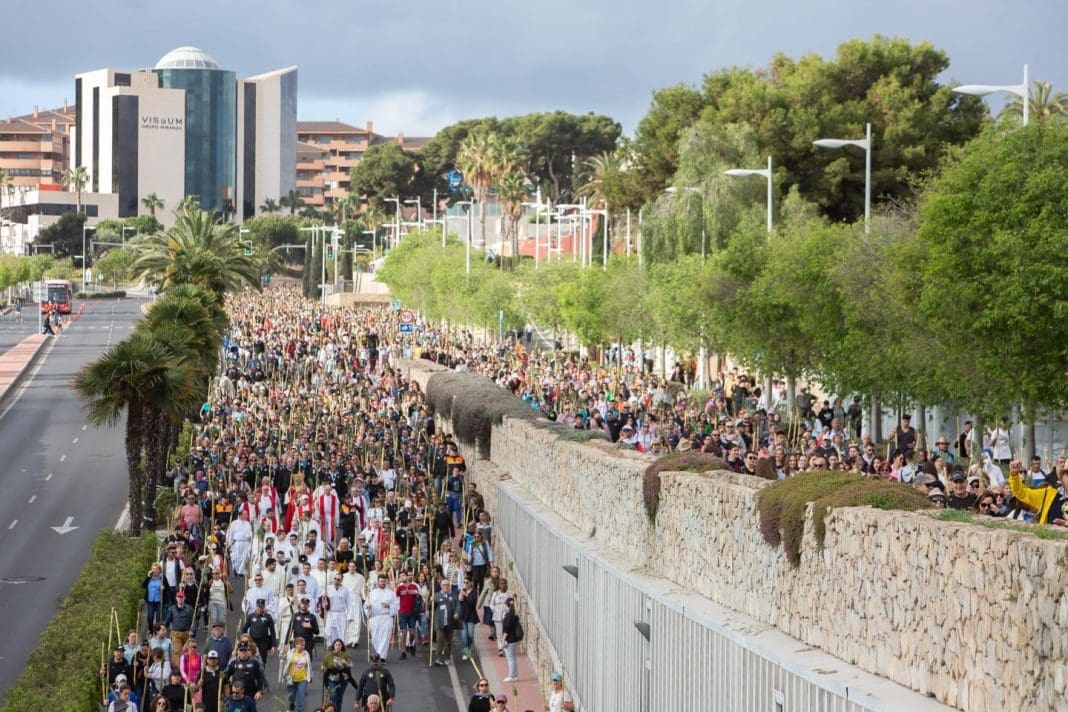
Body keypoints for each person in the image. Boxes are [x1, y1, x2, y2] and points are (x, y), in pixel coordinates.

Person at [364, 574, 398, 661]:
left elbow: (396, 605)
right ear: (377, 582)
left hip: (386, 617)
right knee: (375, 638)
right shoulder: (372, 593)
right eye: (381, 581)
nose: (382, 583)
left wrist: (389, 606)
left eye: (384, 581)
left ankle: (382, 657)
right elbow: (366, 605)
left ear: (386, 582)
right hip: (374, 618)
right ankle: (377, 654)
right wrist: (368, 607)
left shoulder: (391, 593)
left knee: (385, 638)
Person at [322, 638, 356, 710]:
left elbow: (351, 665)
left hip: (343, 678)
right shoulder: (328, 655)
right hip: (332, 678)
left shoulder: (345, 655)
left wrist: (345, 663)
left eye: (339, 645)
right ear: (334, 646)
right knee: (333, 696)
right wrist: (323, 668)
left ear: (342, 646)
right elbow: (324, 665)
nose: (338, 646)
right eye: (336, 645)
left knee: (339, 698)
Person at [280, 635, 312, 712]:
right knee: (291, 698)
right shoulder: (290, 653)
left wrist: (310, 677)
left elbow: (309, 666)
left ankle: (300, 710)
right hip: (291, 679)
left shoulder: (306, 654)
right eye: (302, 645)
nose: (303, 646)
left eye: (304, 645)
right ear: (296, 645)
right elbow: (281, 658)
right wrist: (283, 653)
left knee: (301, 698)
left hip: (302, 679)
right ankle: (291, 708)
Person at [240, 599, 277, 665]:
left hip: (263, 643)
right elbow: (243, 629)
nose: (260, 608)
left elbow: (272, 631)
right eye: (259, 606)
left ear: (264, 607)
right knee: (251, 659)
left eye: (262, 606)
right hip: (253, 642)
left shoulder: (268, 617)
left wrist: (273, 645)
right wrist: (245, 640)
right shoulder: (251, 616)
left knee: (262, 661)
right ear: (256, 606)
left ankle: (262, 674)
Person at [433, 577, 460, 666]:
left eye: (447, 585)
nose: (446, 586)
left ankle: (447, 658)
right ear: (441, 586)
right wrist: (431, 602)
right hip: (439, 622)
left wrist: (456, 613)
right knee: (440, 639)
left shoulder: (454, 595)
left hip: (449, 622)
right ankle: (438, 658)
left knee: (448, 641)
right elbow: (431, 607)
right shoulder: (436, 595)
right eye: (444, 585)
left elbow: (458, 605)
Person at [324, 572, 355, 648]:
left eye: (338, 579)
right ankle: (331, 650)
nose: (336, 581)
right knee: (329, 633)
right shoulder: (328, 589)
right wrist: (324, 601)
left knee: (341, 633)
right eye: (335, 579)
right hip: (331, 614)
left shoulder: (345, 590)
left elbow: (349, 604)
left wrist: (350, 616)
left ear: (341, 581)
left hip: (341, 615)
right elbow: (322, 603)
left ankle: (340, 651)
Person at [394, 571, 420, 659]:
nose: (402, 577)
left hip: (412, 612)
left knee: (412, 632)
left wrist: (413, 592)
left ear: (407, 576)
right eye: (400, 576)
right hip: (402, 612)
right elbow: (395, 596)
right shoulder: (400, 588)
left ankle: (410, 644)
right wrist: (396, 586)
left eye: (403, 575)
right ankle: (403, 651)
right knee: (403, 633)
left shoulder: (413, 586)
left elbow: (417, 595)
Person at [500, 597, 521, 682]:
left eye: (504, 605)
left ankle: (512, 676)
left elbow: (506, 630)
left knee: (510, 659)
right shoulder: (513, 615)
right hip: (513, 640)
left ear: (507, 605)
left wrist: (502, 641)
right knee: (513, 658)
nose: (503, 606)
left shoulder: (508, 616)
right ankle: (514, 675)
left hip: (509, 640)